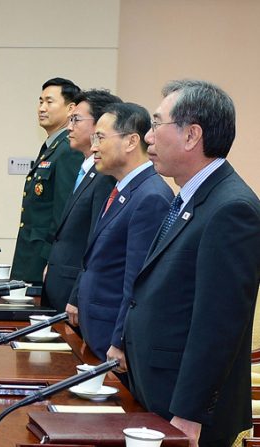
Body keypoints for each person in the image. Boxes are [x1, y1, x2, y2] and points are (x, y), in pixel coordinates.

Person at [123, 80, 260, 446]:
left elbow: (218, 326)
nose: (148, 137)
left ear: (191, 135)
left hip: (187, 412)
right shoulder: (190, 195)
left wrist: (189, 413)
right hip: (156, 391)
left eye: (156, 124)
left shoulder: (232, 209)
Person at [67, 103, 172, 368]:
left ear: (131, 141)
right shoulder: (121, 189)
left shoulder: (151, 196)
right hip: (97, 332)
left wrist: (121, 341)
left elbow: (136, 282)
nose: (93, 148)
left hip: (114, 342)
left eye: (100, 138)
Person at [42, 89, 121, 314]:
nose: (69, 127)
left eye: (76, 120)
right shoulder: (86, 169)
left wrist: (77, 295)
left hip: (75, 294)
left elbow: (95, 243)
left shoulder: (105, 177)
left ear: (101, 124)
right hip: (59, 286)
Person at [11, 78, 83, 284]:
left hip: (43, 261)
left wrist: (51, 261)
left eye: (49, 102)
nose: (41, 108)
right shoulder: (52, 147)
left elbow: (62, 214)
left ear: (71, 109)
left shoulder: (69, 150)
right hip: (30, 255)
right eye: (40, 101)